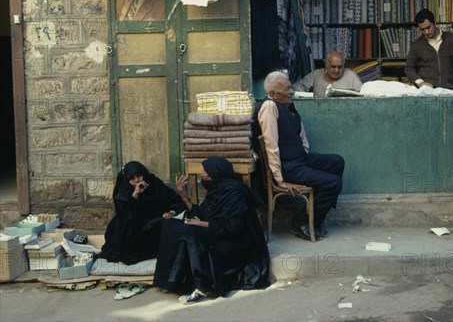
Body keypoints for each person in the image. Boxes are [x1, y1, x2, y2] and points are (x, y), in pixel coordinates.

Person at [153, 157, 270, 304]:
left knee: (190, 232)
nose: (203, 176)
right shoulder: (216, 191)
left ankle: (203, 286)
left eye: (205, 172)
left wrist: (199, 224)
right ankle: (171, 280)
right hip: (219, 233)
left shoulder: (235, 194)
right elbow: (201, 213)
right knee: (171, 226)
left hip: (236, 243)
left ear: (215, 174)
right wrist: (182, 194)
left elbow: (232, 228)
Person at [258, 71, 345, 240]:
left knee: (336, 162)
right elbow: (271, 144)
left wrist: (303, 152)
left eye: (291, 87)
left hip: (300, 160)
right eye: (287, 88)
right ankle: (301, 221)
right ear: (273, 94)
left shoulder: (287, 105)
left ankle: (315, 218)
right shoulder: (270, 107)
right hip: (289, 167)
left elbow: (301, 134)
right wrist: (279, 178)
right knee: (334, 184)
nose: (292, 91)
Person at [99, 161, 188, 265]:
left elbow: (174, 200)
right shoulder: (123, 189)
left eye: (139, 176)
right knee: (125, 220)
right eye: (132, 178)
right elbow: (124, 211)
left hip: (151, 223)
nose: (137, 180)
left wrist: (171, 212)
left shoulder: (153, 184)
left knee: (164, 224)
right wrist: (135, 194)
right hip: (130, 227)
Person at [405, 8, 453, 89]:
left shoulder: (451, 39)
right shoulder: (417, 45)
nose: (426, 32)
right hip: (427, 91)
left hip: (448, 89)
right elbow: (409, 68)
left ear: (434, 23)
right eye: (422, 29)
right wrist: (420, 83)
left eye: (428, 27)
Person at [293, 51, 363, 97]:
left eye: (340, 67)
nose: (336, 70)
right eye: (333, 66)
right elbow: (297, 86)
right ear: (326, 64)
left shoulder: (351, 76)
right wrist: (308, 97)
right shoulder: (316, 74)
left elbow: (363, 95)